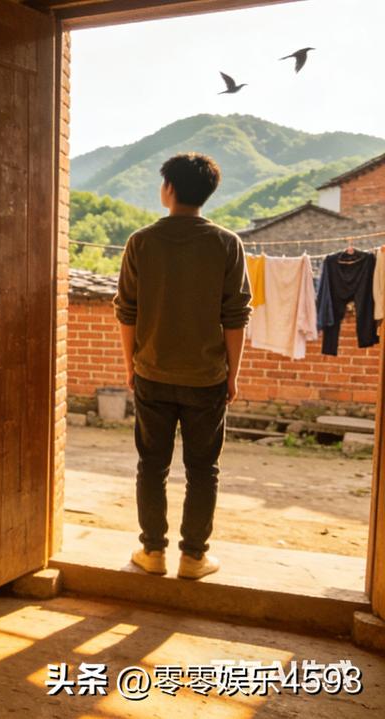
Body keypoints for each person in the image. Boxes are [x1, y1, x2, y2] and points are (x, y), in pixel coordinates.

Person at [113, 152, 251, 580]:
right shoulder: (227, 244)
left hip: (152, 372)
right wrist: (233, 373)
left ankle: (152, 552)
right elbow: (236, 316)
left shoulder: (141, 242)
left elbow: (127, 312)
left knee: (151, 466)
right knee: (202, 470)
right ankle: (193, 558)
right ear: (206, 192)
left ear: (167, 189)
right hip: (206, 378)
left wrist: (131, 366)